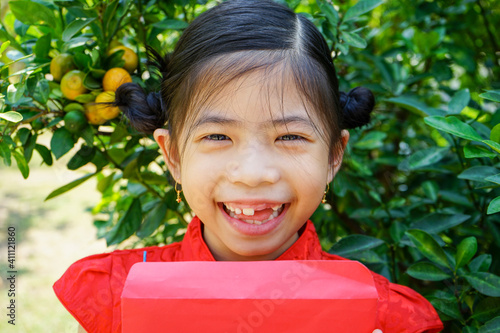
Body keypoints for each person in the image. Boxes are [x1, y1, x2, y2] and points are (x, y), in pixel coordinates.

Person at [53, 0, 444, 332]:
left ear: (332, 156)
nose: (253, 173)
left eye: (290, 137)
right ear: (173, 155)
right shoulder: (111, 298)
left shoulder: (386, 317)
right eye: (218, 136)